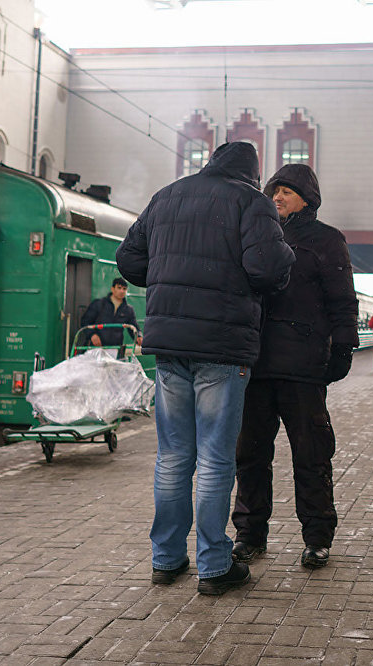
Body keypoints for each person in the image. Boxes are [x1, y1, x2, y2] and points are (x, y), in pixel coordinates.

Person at [116, 141, 295, 595]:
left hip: (170, 347)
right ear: (253, 173)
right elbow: (266, 267)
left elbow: (129, 260)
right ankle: (215, 566)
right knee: (216, 460)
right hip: (222, 346)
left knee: (173, 457)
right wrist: (284, 256)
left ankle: (166, 559)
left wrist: (169, 276)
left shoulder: (167, 196)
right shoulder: (251, 202)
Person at [232, 164, 359, 570]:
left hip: (303, 367)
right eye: (275, 191)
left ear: (308, 198)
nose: (278, 197)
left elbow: (343, 300)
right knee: (249, 455)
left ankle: (317, 537)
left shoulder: (327, 240)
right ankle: (250, 535)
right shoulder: (256, 235)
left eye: (287, 191)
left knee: (312, 454)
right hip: (256, 366)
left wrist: (343, 348)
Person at [79, 277, 142, 356]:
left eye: (124, 289)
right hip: (95, 348)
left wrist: (138, 336)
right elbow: (85, 321)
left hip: (115, 350)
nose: (122, 291)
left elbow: (133, 326)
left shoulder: (128, 310)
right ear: (112, 289)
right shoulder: (98, 304)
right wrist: (92, 335)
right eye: (119, 288)